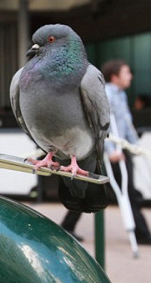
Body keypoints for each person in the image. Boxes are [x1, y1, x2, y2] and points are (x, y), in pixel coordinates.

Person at [61, 59, 151, 245]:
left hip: (121, 151)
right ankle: (142, 234)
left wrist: (134, 146)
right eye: (126, 73)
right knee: (126, 191)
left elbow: (124, 124)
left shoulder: (121, 95)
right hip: (110, 154)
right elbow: (104, 123)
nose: (130, 76)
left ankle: (67, 226)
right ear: (115, 76)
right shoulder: (107, 93)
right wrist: (110, 151)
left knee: (117, 191)